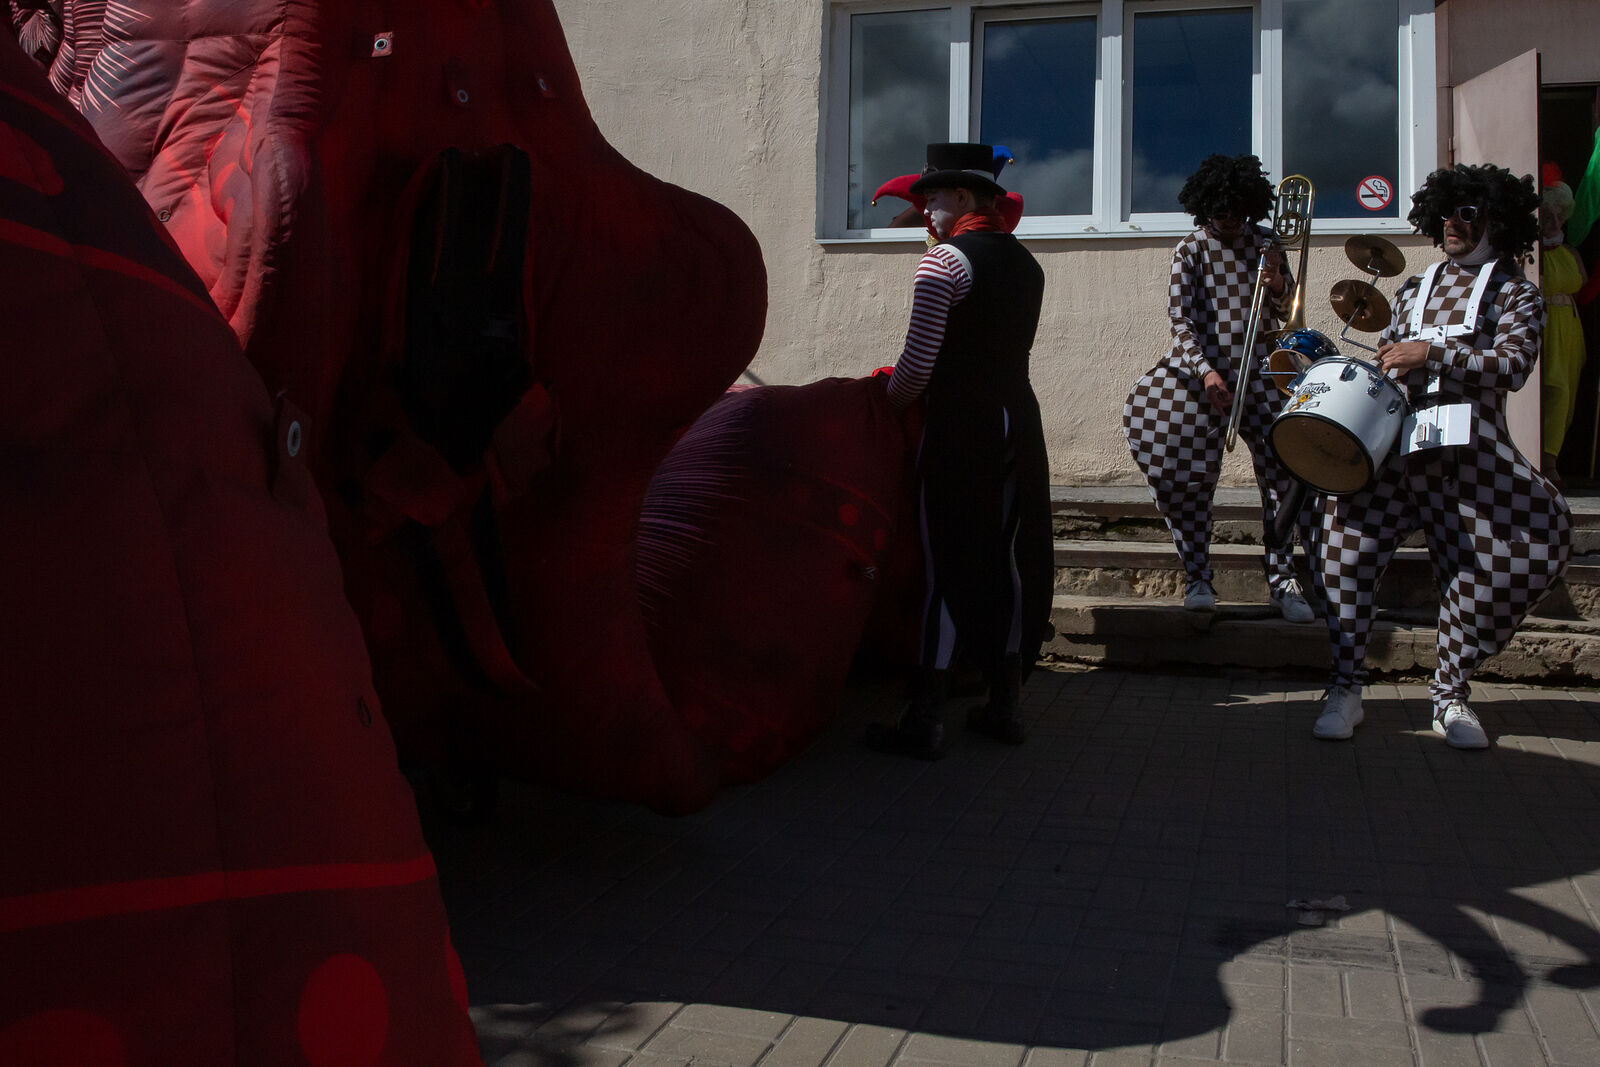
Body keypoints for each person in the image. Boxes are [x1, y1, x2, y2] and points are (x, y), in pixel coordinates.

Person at [1312, 163, 1571, 749]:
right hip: (1397, 450)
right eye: (1446, 213)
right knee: (1344, 555)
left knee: (1506, 559)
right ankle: (1346, 689)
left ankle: (1450, 694)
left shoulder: (1517, 293)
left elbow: (1513, 367)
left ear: (1496, 221)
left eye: (1468, 214)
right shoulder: (1413, 288)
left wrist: (1431, 354)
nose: (1453, 223)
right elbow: (1389, 357)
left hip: (1471, 456)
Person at [864, 142, 1053, 760]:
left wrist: (884, 406)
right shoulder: (1028, 264)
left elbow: (917, 368)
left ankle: (924, 717)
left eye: (933, 198)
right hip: (1019, 423)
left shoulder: (943, 262)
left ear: (965, 196)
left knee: (945, 561)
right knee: (1007, 561)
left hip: (962, 426)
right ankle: (1006, 705)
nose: (925, 210)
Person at [1123, 153, 1316, 622]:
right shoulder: (1190, 249)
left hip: (1262, 374)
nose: (1229, 220)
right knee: (1186, 478)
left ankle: (1283, 580)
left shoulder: (1268, 244)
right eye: (1220, 211)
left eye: (1237, 211)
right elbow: (1180, 320)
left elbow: (1286, 316)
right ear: (1203, 207)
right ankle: (1197, 577)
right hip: (1202, 378)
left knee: (1284, 476)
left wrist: (1276, 283)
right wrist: (1206, 372)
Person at [1537, 165, 1589, 488]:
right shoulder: (1532, 255)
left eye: (1558, 214)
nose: (1553, 221)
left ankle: (1551, 455)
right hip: (1543, 322)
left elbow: (1582, 286)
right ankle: (1545, 460)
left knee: (1565, 391)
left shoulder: (1570, 252)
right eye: (1547, 214)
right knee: (1550, 389)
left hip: (1569, 326)